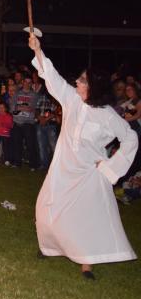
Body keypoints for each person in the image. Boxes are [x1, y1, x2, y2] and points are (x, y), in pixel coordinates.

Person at [29, 34, 137, 279]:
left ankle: (87, 263)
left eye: (82, 80)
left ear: (93, 87)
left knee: (86, 217)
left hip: (89, 174)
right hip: (63, 169)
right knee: (47, 207)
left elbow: (131, 138)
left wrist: (110, 167)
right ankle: (50, 247)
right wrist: (37, 49)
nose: (76, 82)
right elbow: (52, 76)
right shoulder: (71, 100)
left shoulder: (108, 115)